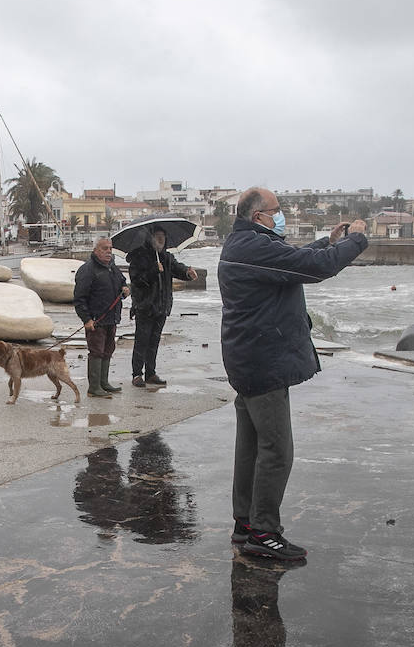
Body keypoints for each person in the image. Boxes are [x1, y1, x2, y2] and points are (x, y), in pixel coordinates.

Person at [218, 187, 369, 560]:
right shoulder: (252, 248)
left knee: (251, 447)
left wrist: (327, 241)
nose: (281, 215)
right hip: (261, 362)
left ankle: (245, 523)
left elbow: (295, 259)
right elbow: (314, 268)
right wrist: (357, 240)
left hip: (249, 359)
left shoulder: (247, 244)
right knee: (277, 451)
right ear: (259, 217)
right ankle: (264, 532)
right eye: (277, 210)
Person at [125, 227, 197, 387]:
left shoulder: (166, 257)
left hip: (162, 306)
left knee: (154, 341)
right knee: (141, 341)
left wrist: (188, 273)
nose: (161, 240)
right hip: (145, 306)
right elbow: (136, 280)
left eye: (163, 237)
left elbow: (178, 268)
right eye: (158, 237)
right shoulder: (139, 257)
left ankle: (151, 373)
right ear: (150, 238)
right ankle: (137, 374)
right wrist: (152, 271)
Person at [72, 236, 128, 397]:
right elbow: (79, 298)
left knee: (108, 350)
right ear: (96, 250)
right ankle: (94, 387)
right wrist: (86, 319)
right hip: (96, 320)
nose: (108, 251)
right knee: (96, 351)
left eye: (110, 248)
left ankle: (104, 382)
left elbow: (122, 283)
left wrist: (125, 289)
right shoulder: (87, 270)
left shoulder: (113, 267)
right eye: (104, 248)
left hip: (112, 318)